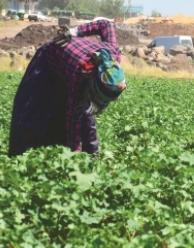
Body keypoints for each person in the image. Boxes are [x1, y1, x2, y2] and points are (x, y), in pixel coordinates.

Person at [8, 19, 127, 157]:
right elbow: (73, 122)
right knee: (34, 109)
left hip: (72, 64)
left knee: (86, 114)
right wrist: (74, 157)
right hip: (47, 62)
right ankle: (22, 155)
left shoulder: (113, 57)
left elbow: (105, 24)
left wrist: (75, 32)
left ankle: (94, 156)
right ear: (93, 85)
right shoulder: (80, 74)